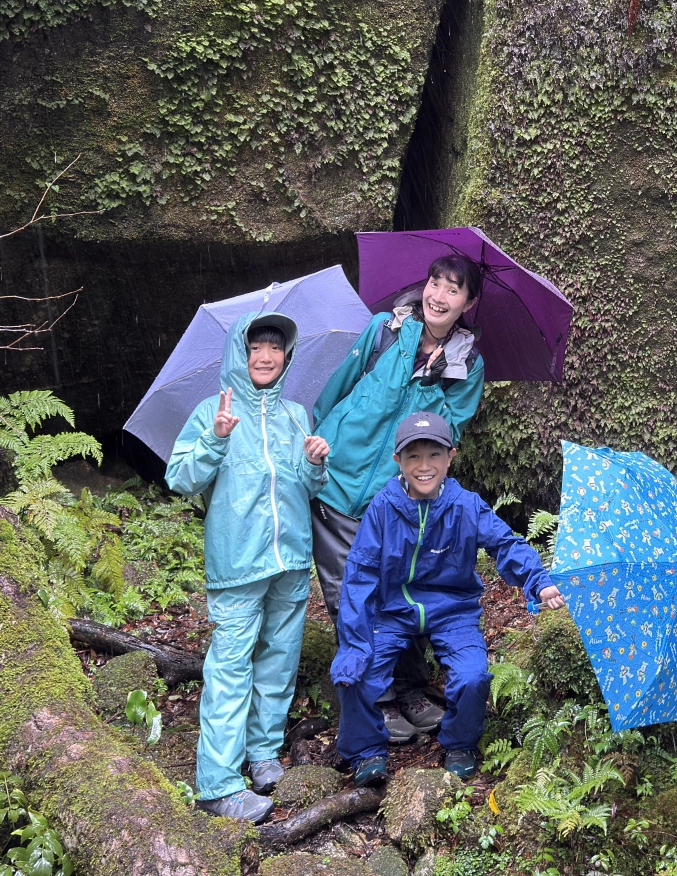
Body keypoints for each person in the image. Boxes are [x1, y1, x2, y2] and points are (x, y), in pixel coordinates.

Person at [306, 252, 485, 741]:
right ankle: (374, 699)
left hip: (396, 497)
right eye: (435, 282)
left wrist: (431, 375)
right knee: (350, 593)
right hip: (340, 484)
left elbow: (448, 432)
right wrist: (320, 445)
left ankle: (409, 687)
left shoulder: (467, 363)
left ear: (467, 301)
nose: (439, 295)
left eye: (454, 288)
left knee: (399, 588)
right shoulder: (386, 329)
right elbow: (338, 388)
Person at [331, 410, 563, 782]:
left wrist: (538, 580)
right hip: (392, 611)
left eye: (434, 455)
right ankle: (365, 752)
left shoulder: (465, 505)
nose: (424, 466)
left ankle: (460, 743)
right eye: (413, 456)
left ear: (451, 456)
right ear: (398, 461)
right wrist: (354, 645)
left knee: (472, 677)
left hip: (452, 610)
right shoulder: (383, 508)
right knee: (354, 673)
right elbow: (359, 577)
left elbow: (505, 542)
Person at [166, 312, 329, 824]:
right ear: (240, 352)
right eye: (256, 346)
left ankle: (263, 755)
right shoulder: (213, 410)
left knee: (279, 663)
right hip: (237, 561)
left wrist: (316, 462)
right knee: (230, 669)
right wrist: (215, 437)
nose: (265, 356)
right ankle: (217, 783)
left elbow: (309, 488)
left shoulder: (297, 415)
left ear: (287, 356)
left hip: (291, 560)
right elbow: (180, 478)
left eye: (275, 348)